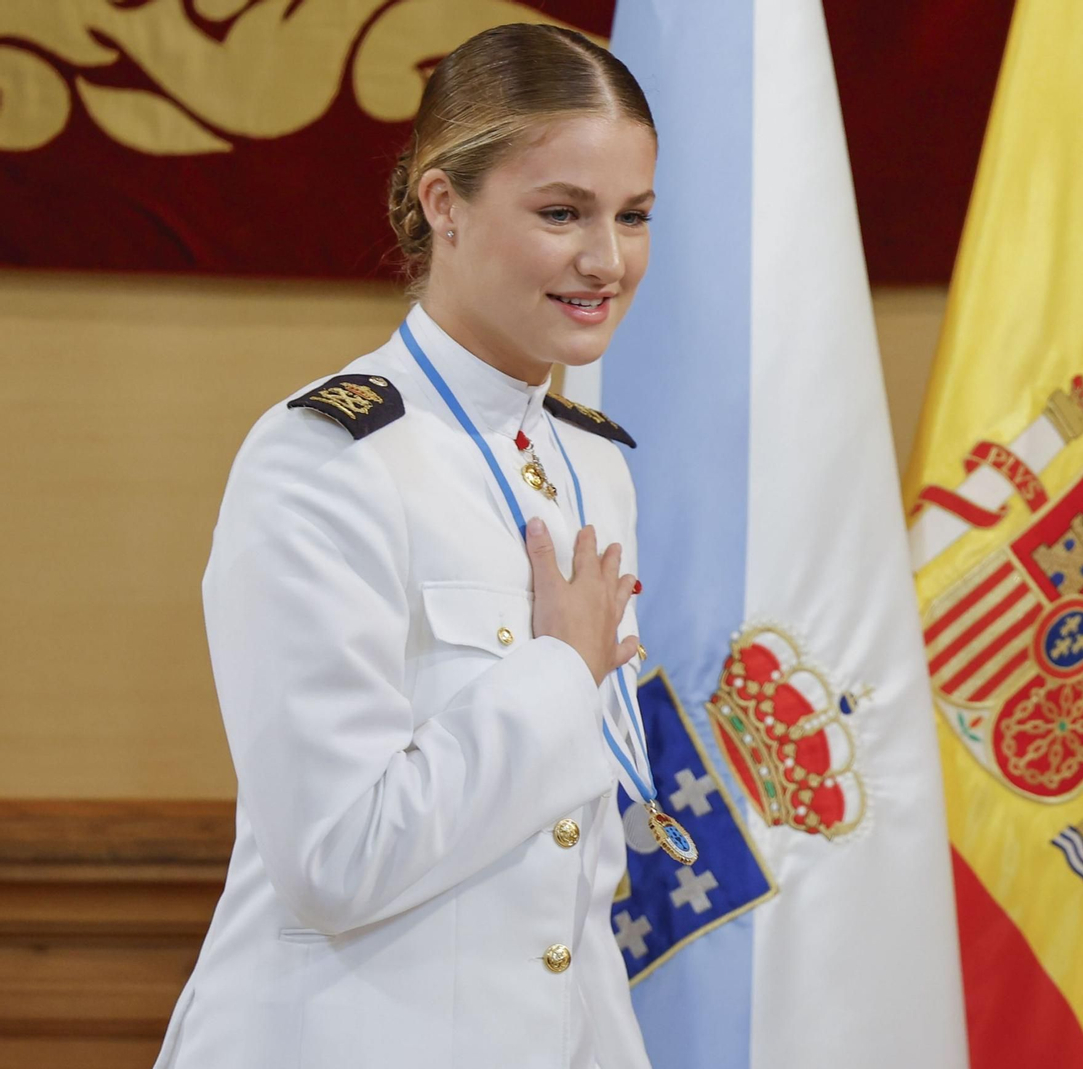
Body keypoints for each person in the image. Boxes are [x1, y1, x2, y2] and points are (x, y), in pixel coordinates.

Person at [153, 24, 661, 1069]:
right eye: (560, 212)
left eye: (633, 215)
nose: (605, 260)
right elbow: (334, 857)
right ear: (444, 204)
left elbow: (573, 876)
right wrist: (563, 669)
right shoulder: (325, 458)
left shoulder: (591, 465)